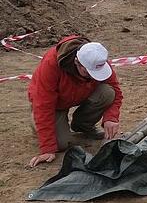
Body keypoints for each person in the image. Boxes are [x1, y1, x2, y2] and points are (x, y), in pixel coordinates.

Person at [28, 36, 123, 167]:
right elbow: (43, 105)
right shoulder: (51, 64)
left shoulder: (97, 57)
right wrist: (47, 148)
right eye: (88, 72)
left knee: (108, 92)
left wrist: (111, 118)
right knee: (61, 144)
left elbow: (116, 91)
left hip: (79, 94)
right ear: (77, 62)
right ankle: (36, 122)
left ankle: (82, 125)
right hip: (54, 104)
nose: (92, 76)